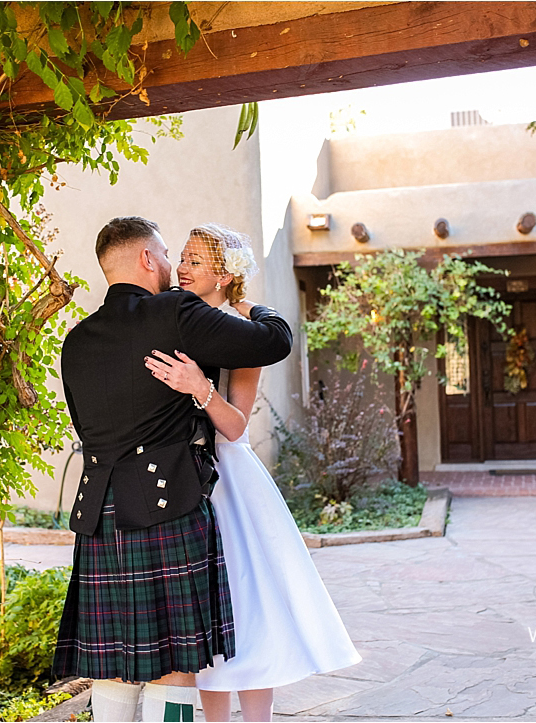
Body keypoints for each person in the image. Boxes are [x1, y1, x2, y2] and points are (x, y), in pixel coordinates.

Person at [52, 217, 294, 722]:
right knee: (176, 664)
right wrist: (255, 306)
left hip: (100, 515)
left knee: (111, 666)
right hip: (168, 506)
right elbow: (271, 341)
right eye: (168, 254)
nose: (173, 266)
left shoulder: (75, 342)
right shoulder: (173, 313)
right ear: (146, 258)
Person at [143, 224, 362, 722]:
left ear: (223, 274)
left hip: (230, 481)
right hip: (183, 479)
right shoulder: (173, 321)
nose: (181, 267)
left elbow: (236, 429)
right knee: (208, 613)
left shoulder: (244, 340)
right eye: (181, 256)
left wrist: (199, 388)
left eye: (194, 260)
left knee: (248, 603)